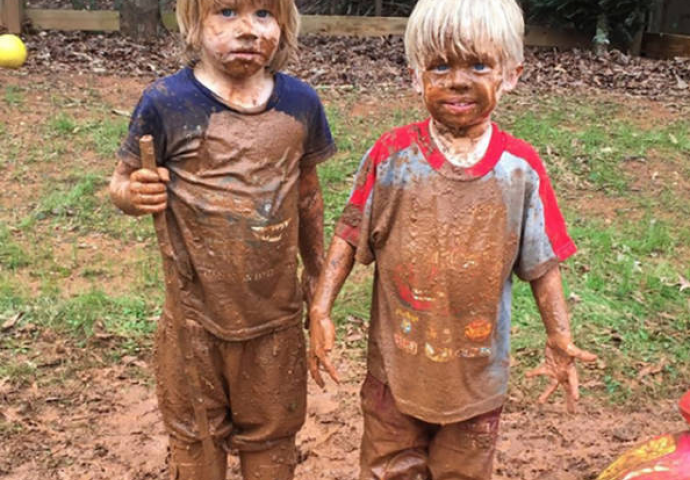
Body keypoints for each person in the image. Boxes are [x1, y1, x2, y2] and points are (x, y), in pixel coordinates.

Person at [308, 0, 597, 478]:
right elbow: (348, 233)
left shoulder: (519, 171)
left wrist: (559, 335)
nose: (457, 80)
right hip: (393, 378)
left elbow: (543, 264)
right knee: (386, 468)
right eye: (440, 66)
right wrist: (320, 310)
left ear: (511, 74)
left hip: (476, 384)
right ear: (414, 75)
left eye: (478, 65)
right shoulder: (391, 157)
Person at [109, 0, 336, 478]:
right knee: (195, 439)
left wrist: (316, 275)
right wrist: (135, 193)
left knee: (273, 440)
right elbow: (120, 183)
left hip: (273, 318)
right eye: (227, 12)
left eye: (263, 14)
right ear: (194, 23)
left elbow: (308, 194)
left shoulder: (300, 103)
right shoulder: (167, 103)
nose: (248, 30)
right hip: (195, 320)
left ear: (284, 25)